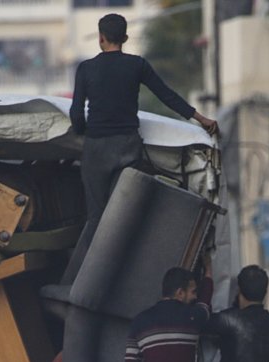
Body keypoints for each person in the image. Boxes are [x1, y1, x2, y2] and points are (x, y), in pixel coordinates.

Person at [69, 13, 218, 232]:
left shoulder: (86, 68)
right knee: (123, 215)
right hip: (128, 147)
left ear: (101, 38)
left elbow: (76, 113)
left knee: (96, 217)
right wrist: (202, 119)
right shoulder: (137, 65)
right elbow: (167, 96)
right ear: (125, 38)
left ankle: (94, 255)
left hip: (96, 149)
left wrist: (83, 132)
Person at [124, 265, 213, 362]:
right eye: (193, 292)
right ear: (180, 293)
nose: (195, 297)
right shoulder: (194, 317)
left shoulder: (139, 321)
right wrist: (208, 272)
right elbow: (205, 300)